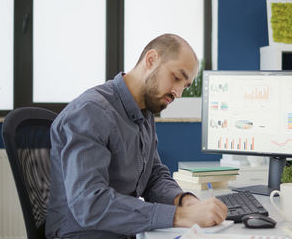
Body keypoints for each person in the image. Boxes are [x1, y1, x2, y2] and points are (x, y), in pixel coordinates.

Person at [45, 34, 228, 239]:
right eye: (176, 77)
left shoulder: (144, 112)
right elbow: (90, 204)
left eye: (185, 86)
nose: (178, 92)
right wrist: (180, 216)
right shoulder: (90, 112)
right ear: (151, 60)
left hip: (123, 232)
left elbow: (153, 176)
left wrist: (184, 200)